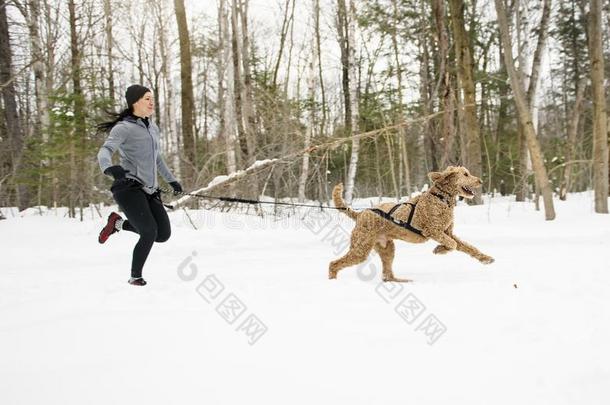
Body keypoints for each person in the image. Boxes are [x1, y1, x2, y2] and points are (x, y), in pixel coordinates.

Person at [96, 84, 182, 286]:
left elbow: (156, 158)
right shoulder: (123, 128)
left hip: (149, 190)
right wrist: (109, 169)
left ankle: (117, 224)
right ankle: (135, 276)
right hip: (128, 187)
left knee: (162, 234)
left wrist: (171, 179)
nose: (152, 102)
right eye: (146, 98)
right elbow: (105, 150)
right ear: (134, 102)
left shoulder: (153, 128)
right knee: (149, 231)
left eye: (152, 98)